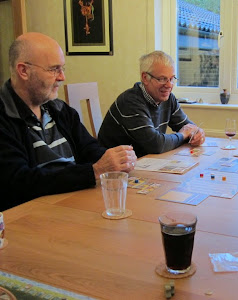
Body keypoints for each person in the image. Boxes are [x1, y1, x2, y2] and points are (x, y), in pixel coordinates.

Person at [0, 32, 136, 211]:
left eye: (63, 68)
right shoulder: (4, 117)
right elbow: (19, 183)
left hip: (72, 200)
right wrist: (94, 171)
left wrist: (115, 160)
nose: (62, 77)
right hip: (32, 215)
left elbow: (89, 149)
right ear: (24, 71)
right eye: (54, 69)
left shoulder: (60, 110)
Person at [98, 51, 205, 158]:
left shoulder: (168, 98)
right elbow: (156, 145)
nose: (169, 85)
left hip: (144, 161)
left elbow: (188, 127)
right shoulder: (130, 102)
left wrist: (197, 134)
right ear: (145, 78)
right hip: (115, 169)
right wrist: (183, 134)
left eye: (172, 79)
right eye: (162, 79)